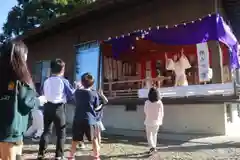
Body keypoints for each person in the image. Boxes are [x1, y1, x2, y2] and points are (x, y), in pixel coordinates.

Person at [0, 41, 46, 160]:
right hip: (12, 131)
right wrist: (39, 101)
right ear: (20, 56)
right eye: (25, 54)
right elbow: (26, 103)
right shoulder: (20, 78)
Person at [38, 59, 75, 160]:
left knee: (46, 131)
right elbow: (71, 94)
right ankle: (59, 155)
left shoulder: (46, 80)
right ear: (62, 69)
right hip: (59, 108)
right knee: (61, 133)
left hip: (47, 106)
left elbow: (41, 92)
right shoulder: (64, 81)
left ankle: (41, 153)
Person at [69, 73, 101, 160]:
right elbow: (96, 106)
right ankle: (96, 156)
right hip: (90, 119)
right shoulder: (94, 93)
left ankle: (71, 156)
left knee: (75, 139)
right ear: (92, 83)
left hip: (78, 118)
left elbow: (73, 99)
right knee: (94, 139)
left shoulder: (77, 92)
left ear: (82, 82)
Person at [144, 87, 164, 155]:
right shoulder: (160, 102)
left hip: (148, 121)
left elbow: (145, 111)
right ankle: (153, 148)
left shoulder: (147, 102)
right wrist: (160, 120)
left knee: (149, 135)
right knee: (154, 135)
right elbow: (162, 112)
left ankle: (152, 147)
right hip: (157, 121)